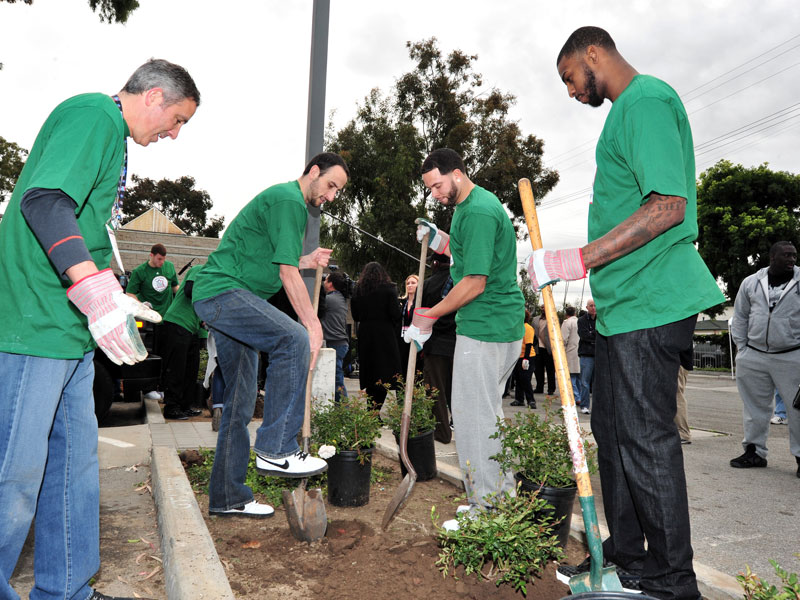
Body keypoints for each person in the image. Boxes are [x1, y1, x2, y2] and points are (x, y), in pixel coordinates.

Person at [531, 27, 725, 599]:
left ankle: (673, 580)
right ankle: (627, 559)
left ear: (594, 54)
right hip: (621, 308)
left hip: (653, 300)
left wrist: (579, 258)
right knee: (614, 435)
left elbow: (667, 205)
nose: (571, 92)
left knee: (644, 438)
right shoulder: (622, 114)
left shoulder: (646, 101)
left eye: (569, 78)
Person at [0, 58, 199, 600]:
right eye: (177, 119)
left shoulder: (113, 141)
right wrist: (90, 288)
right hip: (34, 326)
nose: (175, 134)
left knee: (72, 472)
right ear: (154, 95)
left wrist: (112, 292)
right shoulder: (95, 116)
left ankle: (66, 590)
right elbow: (46, 202)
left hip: (70, 335)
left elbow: (85, 231)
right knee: (14, 479)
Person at [192, 153, 348, 519]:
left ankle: (227, 497)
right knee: (292, 338)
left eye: (337, 191)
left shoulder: (290, 205)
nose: (331, 196)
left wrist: (306, 261)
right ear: (313, 172)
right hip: (223, 293)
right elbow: (286, 274)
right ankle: (277, 450)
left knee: (241, 400)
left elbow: (280, 260)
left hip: (227, 298)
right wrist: (312, 324)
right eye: (330, 185)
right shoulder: (288, 201)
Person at [406, 148, 524, 531]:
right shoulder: (471, 206)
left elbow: (474, 281)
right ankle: (497, 498)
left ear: (457, 173)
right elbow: (468, 256)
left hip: (486, 326)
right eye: (430, 189)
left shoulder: (475, 211)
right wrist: (440, 239)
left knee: (474, 420)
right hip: (495, 326)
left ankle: (487, 510)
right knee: (486, 416)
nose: (435, 194)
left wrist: (431, 313)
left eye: (437, 185)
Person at [729, 241, 800, 478]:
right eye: (786, 255)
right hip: (754, 355)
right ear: (772, 257)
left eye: (794, 255)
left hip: (792, 354)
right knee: (754, 408)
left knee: (798, 409)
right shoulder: (751, 282)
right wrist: (743, 348)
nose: (791, 259)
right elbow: (739, 316)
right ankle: (754, 452)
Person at [350, 262, 402, 410]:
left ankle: (371, 410)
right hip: (385, 334)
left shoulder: (358, 290)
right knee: (384, 371)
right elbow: (396, 314)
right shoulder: (389, 289)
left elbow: (355, 315)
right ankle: (375, 409)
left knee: (370, 372)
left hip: (366, 333)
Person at [160, 264, 205, 420]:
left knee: (191, 369)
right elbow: (189, 290)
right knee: (177, 368)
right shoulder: (200, 270)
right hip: (177, 323)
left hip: (191, 328)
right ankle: (171, 407)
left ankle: (185, 406)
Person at [422, 252, 457, 443]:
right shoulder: (460, 282)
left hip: (435, 344)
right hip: (459, 343)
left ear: (435, 263)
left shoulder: (428, 284)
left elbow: (421, 313)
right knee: (458, 392)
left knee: (436, 391)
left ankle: (442, 432)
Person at [321, 270, 351, 402]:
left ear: (330, 284)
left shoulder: (329, 299)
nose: (324, 282)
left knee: (336, 380)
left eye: (326, 279)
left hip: (335, 344)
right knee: (336, 378)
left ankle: (344, 410)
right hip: (340, 343)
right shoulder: (340, 298)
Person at [510, 309, 537, 408]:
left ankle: (531, 400)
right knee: (518, 378)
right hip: (517, 356)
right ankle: (519, 399)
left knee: (525, 379)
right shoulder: (516, 327)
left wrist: (525, 359)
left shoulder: (528, 328)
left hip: (527, 357)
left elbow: (529, 344)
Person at [399, 274, 421, 378]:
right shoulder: (402, 302)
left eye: (413, 283)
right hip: (402, 339)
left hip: (417, 339)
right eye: (408, 283)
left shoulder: (421, 302)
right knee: (402, 367)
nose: (410, 285)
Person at [577, 299, 597, 413]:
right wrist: (594, 334)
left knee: (597, 382)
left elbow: (603, 333)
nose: (593, 308)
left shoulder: (601, 319)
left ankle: (597, 406)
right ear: (587, 307)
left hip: (598, 354)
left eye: (595, 305)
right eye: (591, 306)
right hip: (586, 354)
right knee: (585, 381)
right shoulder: (582, 320)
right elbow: (584, 336)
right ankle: (584, 405)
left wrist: (592, 334)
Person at [561, 305, 582, 406]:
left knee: (571, 377)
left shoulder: (567, 323)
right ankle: (580, 396)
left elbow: (563, 339)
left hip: (570, 352)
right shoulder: (580, 321)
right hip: (581, 351)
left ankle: (576, 396)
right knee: (579, 377)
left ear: (566, 314)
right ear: (575, 313)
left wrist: (562, 352)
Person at [533, 308, 556, 395]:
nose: (543, 309)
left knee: (550, 369)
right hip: (537, 348)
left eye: (545, 307)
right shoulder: (535, 319)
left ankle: (551, 388)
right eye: (542, 307)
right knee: (538, 369)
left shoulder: (553, 319)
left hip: (548, 348)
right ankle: (539, 387)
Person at [675, 347, 693, 444]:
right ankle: (681, 432)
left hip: (677, 360)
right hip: (677, 359)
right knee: (675, 395)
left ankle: (683, 433)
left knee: (677, 395)